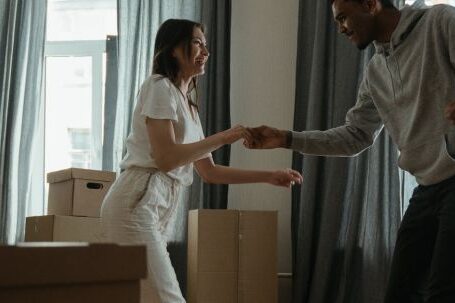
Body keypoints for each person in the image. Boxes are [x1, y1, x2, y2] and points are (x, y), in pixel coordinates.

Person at [244, 1, 455, 302]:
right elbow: (355, 136)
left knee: (442, 292)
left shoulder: (439, 21)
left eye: (343, 17)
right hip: (426, 188)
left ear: (371, 5)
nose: (341, 28)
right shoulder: (375, 72)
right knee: (400, 293)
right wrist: (287, 138)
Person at [100, 19, 302, 303]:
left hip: (160, 203)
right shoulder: (159, 87)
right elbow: (167, 158)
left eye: (205, 44)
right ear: (172, 50)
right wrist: (225, 137)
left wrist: (269, 175)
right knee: (168, 298)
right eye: (197, 42)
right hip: (137, 200)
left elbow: (210, 172)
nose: (205, 51)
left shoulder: (190, 107)